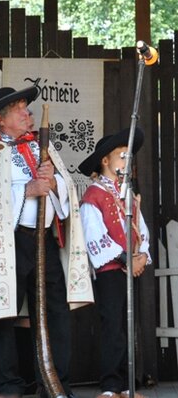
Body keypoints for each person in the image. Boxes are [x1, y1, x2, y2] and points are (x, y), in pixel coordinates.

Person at [0, 86, 93, 398]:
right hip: (7, 243)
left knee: (54, 313)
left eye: (27, 107)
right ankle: (8, 384)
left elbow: (65, 189)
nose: (28, 114)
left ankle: (55, 383)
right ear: (1, 119)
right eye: (19, 109)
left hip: (45, 242)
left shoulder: (44, 147)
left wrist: (53, 183)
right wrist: (26, 190)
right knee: (3, 314)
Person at [78, 128, 151, 398]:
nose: (126, 162)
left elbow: (139, 228)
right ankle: (110, 386)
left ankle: (125, 386)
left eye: (129, 157)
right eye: (122, 156)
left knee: (127, 325)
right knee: (113, 326)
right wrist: (125, 259)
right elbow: (93, 236)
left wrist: (141, 255)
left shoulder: (128, 194)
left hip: (130, 270)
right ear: (105, 161)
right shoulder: (94, 196)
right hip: (111, 271)